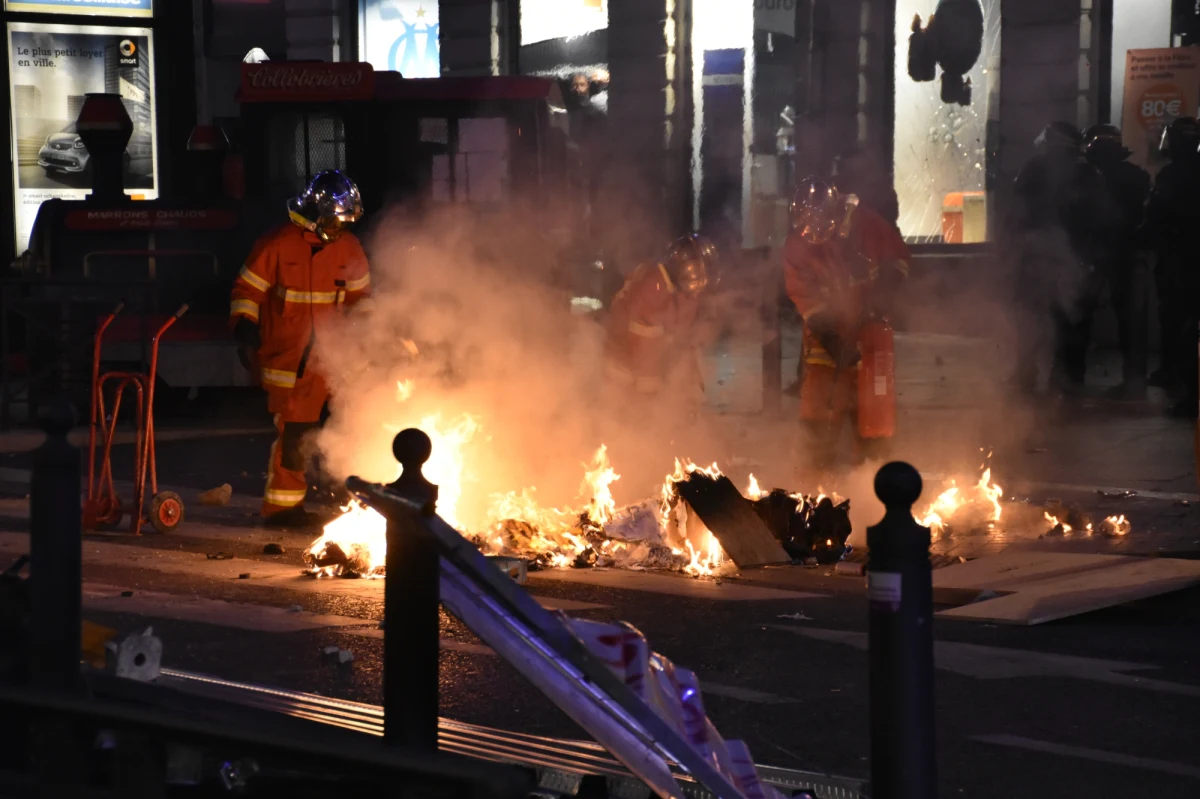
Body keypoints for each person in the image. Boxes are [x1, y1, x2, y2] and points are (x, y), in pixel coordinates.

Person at [230, 171, 372, 528]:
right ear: (314, 212)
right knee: (296, 435)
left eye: (345, 223)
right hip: (289, 364)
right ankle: (283, 509)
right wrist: (245, 329)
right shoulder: (276, 245)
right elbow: (246, 292)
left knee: (361, 425)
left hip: (338, 360)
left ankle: (365, 501)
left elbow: (362, 303)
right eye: (334, 222)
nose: (339, 229)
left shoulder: (350, 249)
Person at [783, 178, 910, 483]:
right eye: (808, 228)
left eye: (820, 226)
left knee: (873, 409)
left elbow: (899, 258)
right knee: (819, 405)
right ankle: (813, 486)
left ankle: (871, 480)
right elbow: (805, 297)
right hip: (826, 332)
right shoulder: (797, 247)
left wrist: (887, 288)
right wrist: (831, 339)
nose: (815, 235)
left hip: (872, 329)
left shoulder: (866, 225)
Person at [1008, 121, 1113, 396]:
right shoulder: (1089, 173)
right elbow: (1102, 219)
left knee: (1032, 317)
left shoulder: (1034, 169)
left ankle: (1028, 373)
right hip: (1071, 258)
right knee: (1069, 318)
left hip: (1045, 257)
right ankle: (1066, 377)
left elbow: (1016, 213)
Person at [603, 234, 718, 400]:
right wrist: (651, 400)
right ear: (683, 269)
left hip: (652, 360)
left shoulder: (683, 289)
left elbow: (685, 338)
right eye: (696, 278)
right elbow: (645, 351)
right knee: (624, 415)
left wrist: (691, 386)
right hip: (622, 360)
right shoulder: (651, 288)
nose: (699, 285)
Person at [1083, 123, 1152, 398]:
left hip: (1097, 253)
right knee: (1131, 320)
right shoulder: (1137, 176)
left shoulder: (1090, 178)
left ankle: (1069, 376)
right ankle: (1135, 380)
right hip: (1128, 253)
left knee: (1079, 314)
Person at [1146, 117, 1200, 417]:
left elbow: (1156, 217)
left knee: (1183, 327)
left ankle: (1190, 396)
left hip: (1181, 262)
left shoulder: (1171, 176)